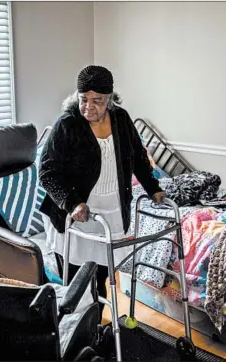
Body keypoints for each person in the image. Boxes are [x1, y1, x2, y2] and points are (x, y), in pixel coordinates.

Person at [39, 65, 166, 316]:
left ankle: (96, 327)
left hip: (111, 212)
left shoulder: (121, 119)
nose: (88, 107)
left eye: (97, 101)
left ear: (110, 99)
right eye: (83, 99)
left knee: (102, 277)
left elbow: (138, 158)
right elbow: (47, 172)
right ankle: (78, 330)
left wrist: (153, 188)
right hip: (75, 214)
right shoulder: (67, 124)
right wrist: (72, 203)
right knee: (77, 283)